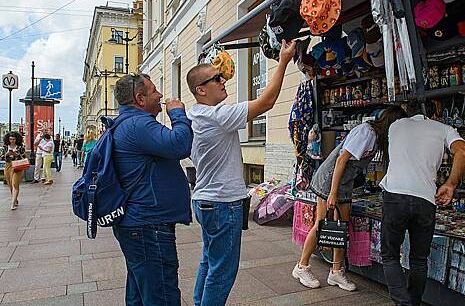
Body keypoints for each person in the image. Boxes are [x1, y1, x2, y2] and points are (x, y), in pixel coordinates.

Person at [186, 39, 296, 306]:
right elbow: (267, 102)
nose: (223, 80)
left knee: (209, 262)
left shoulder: (194, 116)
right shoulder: (217, 117)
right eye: (216, 78)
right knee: (222, 271)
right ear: (201, 90)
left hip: (205, 200)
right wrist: (282, 60)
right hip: (223, 204)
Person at [292, 106, 407, 291]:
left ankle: (336, 272)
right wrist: (333, 193)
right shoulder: (367, 132)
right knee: (321, 223)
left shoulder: (378, 138)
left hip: (344, 183)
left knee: (341, 226)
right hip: (330, 180)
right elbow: (341, 160)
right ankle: (301, 266)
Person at [112, 74, 193, 306]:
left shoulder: (127, 123)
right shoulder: (139, 124)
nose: (160, 95)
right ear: (140, 98)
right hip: (148, 227)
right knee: (162, 297)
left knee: (140, 293)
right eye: (155, 91)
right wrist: (177, 113)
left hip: (139, 225)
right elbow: (180, 145)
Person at [380, 100, 465, 306]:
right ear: (435, 113)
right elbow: (463, 152)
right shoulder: (444, 128)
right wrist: (450, 184)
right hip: (425, 198)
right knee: (419, 258)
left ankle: (403, 303)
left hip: (395, 195)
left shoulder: (396, 126)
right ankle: (414, 302)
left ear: (408, 111)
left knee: (390, 255)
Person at [0, 132, 26, 210]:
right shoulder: (5, 147)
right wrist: (6, 154)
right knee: (10, 184)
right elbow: (1, 157)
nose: (12, 141)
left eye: (14, 139)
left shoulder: (20, 147)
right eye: (10, 139)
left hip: (17, 165)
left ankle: (13, 203)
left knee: (15, 184)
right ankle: (15, 199)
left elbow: (24, 157)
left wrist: (16, 155)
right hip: (8, 166)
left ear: (17, 139)